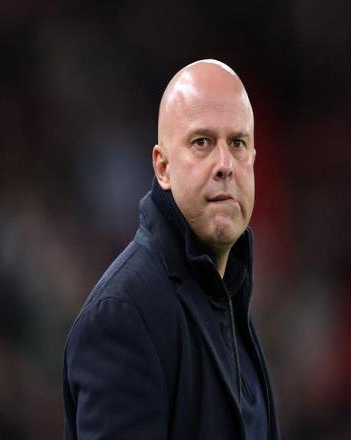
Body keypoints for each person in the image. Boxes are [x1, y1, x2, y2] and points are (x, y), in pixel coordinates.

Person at [63, 59, 280, 439]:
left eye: (238, 143)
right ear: (162, 167)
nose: (225, 165)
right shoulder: (122, 316)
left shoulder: (228, 298)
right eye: (202, 143)